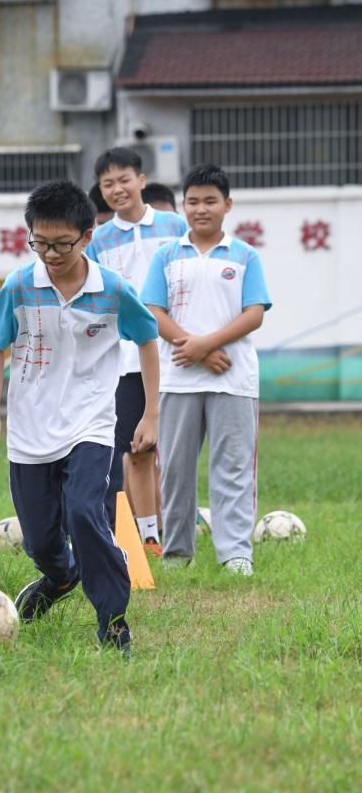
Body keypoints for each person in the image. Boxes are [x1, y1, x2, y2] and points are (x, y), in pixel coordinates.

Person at [0, 179, 160, 655]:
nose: (50, 254)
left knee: (85, 514)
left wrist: (151, 413)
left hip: (92, 423)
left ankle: (113, 621)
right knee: (39, 540)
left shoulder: (113, 290)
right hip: (32, 428)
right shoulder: (20, 284)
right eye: (40, 242)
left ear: (87, 236)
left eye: (61, 244)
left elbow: (147, 341)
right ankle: (59, 577)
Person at [141, 163, 272, 574]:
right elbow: (152, 310)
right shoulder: (167, 255)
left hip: (233, 379)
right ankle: (177, 553)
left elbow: (254, 313)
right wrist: (195, 349)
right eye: (193, 201)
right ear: (183, 206)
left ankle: (235, 553)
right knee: (176, 469)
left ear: (227, 205)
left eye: (210, 201)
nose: (201, 208)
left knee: (233, 465)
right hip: (178, 379)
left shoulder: (244, 254)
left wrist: (207, 344)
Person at [86, 147, 186, 549]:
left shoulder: (176, 226)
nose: (117, 189)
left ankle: (180, 532)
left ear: (141, 180)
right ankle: (148, 538)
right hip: (128, 362)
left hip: (179, 357)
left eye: (124, 179)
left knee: (177, 453)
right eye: (108, 183)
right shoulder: (98, 240)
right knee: (138, 449)